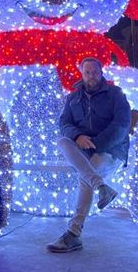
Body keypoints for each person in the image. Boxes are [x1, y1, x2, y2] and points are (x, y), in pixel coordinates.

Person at [46, 57, 131, 252]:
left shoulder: (115, 94)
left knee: (86, 176)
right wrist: (77, 137)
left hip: (111, 150)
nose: (91, 76)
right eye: (87, 72)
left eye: (94, 72)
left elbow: (121, 126)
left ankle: (73, 233)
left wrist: (95, 144)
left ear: (101, 73)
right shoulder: (73, 98)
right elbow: (64, 124)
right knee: (62, 141)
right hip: (83, 149)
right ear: (81, 74)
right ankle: (102, 187)